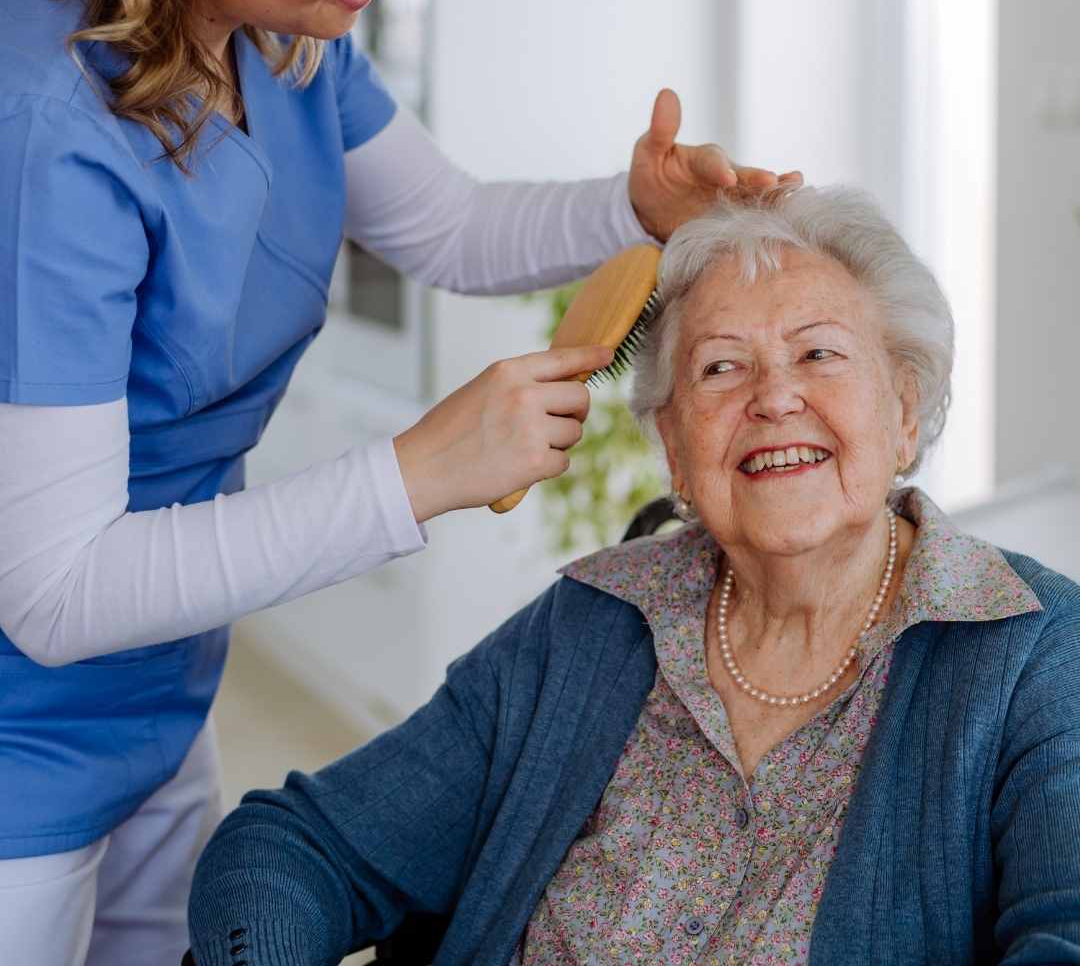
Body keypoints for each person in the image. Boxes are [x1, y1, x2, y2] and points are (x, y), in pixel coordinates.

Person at [0, 0, 798, 962]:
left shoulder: (276, 40)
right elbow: (54, 594)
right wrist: (417, 474)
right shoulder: (44, 128)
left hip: (156, 671)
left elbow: (453, 228)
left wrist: (635, 210)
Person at [186, 186, 1080, 966]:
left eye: (819, 353)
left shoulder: (1034, 656)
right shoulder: (590, 626)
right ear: (674, 452)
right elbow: (300, 846)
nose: (773, 398)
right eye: (721, 367)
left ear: (905, 407)